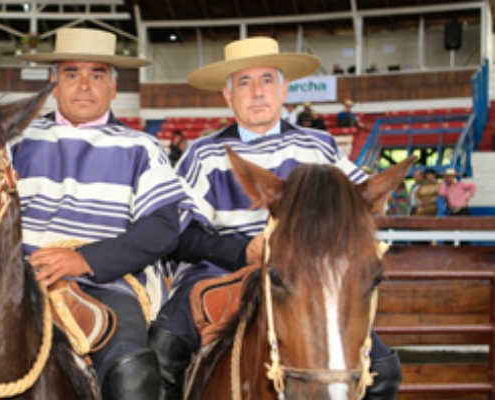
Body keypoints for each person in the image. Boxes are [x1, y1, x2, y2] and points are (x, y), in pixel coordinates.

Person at [151, 36, 401, 400]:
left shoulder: (318, 146)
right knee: (164, 346)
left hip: (308, 277)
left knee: (385, 371)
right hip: (217, 275)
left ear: (284, 89)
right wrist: (243, 253)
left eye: (267, 80)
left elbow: (360, 205)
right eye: (244, 83)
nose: (257, 92)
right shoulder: (203, 154)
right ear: (228, 95)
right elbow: (181, 237)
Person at [13, 27, 190, 400]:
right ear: (53, 83)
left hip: (105, 283)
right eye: (71, 73)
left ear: (113, 87)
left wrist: (84, 259)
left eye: (97, 74)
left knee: (131, 366)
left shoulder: (141, 146)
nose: (84, 85)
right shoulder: (17, 141)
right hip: (19, 277)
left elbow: (162, 229)